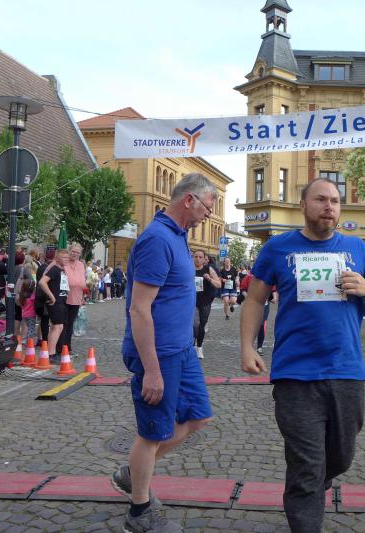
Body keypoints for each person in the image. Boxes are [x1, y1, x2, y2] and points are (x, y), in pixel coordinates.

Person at [239, 177, 365, 533]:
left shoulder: (356, 248)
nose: (329, 207)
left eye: (335, 201)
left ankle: (316, 480)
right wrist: (247, 347)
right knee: (306, 466)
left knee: (341, 457)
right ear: (303, 205)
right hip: (295, 374)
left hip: (346, 372)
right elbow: (255, 299)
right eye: (321, 199)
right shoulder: (278, 248)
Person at [111, 173, 216, 533]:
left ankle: (133, 473)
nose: (208, 215)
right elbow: (139, 309)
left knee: (198, 417)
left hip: (182, 350)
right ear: (189, 200)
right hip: (159, 355)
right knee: (152, 433)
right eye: (207, 208)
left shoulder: (178, 236)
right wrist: (152, 370)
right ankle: (139, 512)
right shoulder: (157, 239)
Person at [38, 249, 69, 359]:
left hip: (61, 301)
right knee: (57, 327)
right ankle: (51, 354)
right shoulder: (55, 269)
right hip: (56, 302)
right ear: (57, 259)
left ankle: (51, 352)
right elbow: (42, 282)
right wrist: (51, 296)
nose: (66, 259)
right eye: (64, 258)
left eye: (67, 257)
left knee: (58, 327)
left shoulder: (62, 270)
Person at [56, 243, 86, 356]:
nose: (75, 254)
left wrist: (83, 297)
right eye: (73, 251)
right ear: (69, 251)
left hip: (76, 297)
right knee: (62, 324)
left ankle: (67, 347)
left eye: (77, 252)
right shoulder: (63, 262)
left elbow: (83, 281)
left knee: (70, 324)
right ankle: (59, 348)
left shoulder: (81, 265)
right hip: (63, 297)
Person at [193, 250, 221, 359]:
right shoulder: (189, 269)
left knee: (202, 325)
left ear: (204, 259)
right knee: (194, 325)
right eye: (196, 256)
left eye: (200, 257)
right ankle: (192, 345)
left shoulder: (208, 269)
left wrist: (209, 279)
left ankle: (199, 347)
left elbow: (218, 284)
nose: (198, 259)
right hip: (191, 301)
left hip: (205, 301)